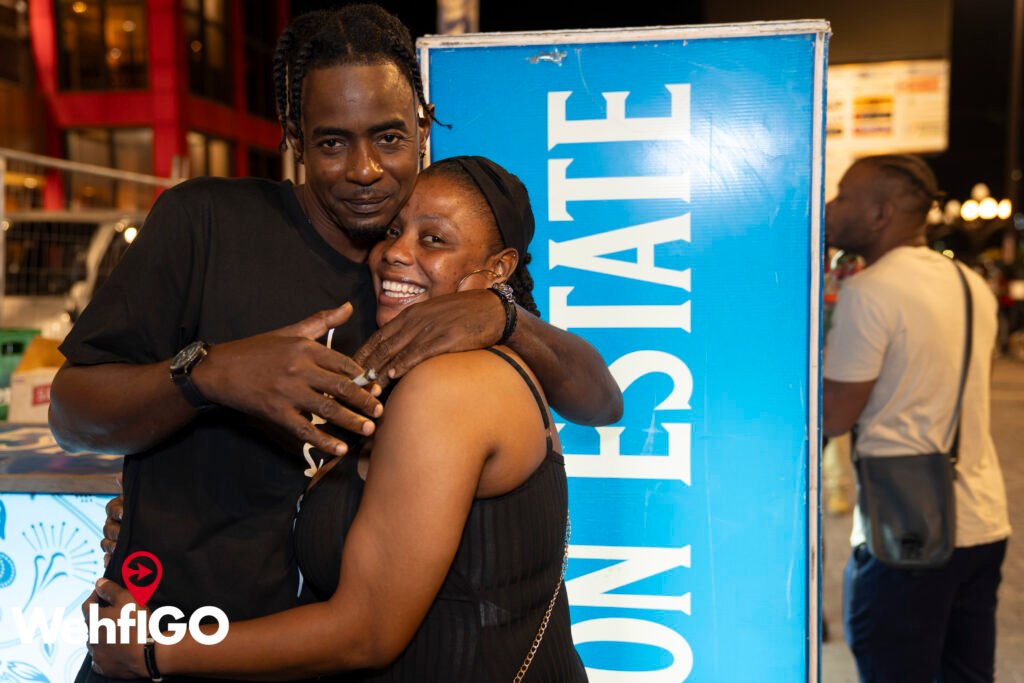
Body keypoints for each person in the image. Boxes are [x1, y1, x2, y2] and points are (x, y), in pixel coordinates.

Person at [50, 7, 620, 682]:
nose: (365, 170)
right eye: (331, 143)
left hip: (315, 654)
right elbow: (72, 413)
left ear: (423, 127)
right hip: (169, 635)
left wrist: (504, 316)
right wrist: (207, 374)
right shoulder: (207, 222)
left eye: (389, 137)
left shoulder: (426, 278)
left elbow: (598, 402)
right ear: (294, 137)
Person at [86, 156, 589, 682]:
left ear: (498, 269)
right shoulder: (411, 374)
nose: (397, 252)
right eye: (393, 232)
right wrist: (158, 513)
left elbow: (366, 632)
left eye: (433, 240)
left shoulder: (451, 385)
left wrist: (154, 651)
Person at [822, 154, 1011, 683]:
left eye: (843, 196)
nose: (831, 207)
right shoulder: (969, 282)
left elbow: (834, 417)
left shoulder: (871, 292)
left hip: (905, 531)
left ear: (881, 213)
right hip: (983, 521)